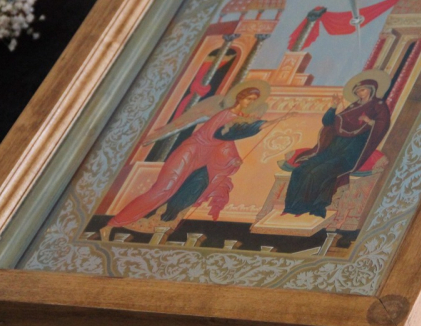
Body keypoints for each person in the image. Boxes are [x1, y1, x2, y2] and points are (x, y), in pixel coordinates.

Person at [102, 87, 292, 240]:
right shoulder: (225, 115)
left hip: (206, 156)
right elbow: (230, 133)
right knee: (164, 188)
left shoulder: (238, 118)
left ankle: (163, 220)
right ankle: (115, 223)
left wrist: (233, 156)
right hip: (190, 151)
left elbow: (228, 140)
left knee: (197, 186)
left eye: (253, 101)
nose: (250, 103)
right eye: (249, 99)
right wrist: (269, 122)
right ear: (240, 98)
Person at [282, 79, 391, 218]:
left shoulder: (378, 106)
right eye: (357, 91)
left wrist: (369, 121)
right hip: (334, 148)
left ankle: (308, 207)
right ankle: (291, 207)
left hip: (351, 151)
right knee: (299, 170)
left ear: (371, 89)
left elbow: (383, 124)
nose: (359, 93)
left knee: (316, 173)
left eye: (362, 90)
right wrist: (334, 106)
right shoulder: (354, 106)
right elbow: (328, 122)